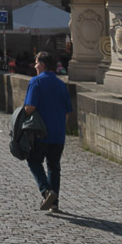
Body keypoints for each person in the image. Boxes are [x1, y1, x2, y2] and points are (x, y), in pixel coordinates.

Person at [23, 51, 72, 212]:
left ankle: (46, 191)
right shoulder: (61, 84)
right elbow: (66, 112)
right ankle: (54, 203)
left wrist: (21, 116)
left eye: (36, 63)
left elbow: (30, 107)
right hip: (58, 133)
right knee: (54, 167)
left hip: (40, 132)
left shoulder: (36, 82)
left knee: (33, 160)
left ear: (43, 65)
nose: (35, 66)